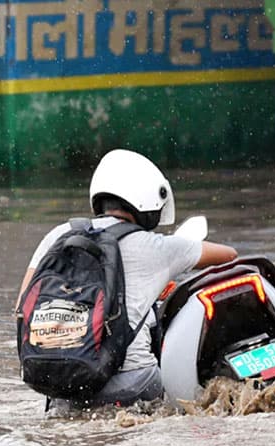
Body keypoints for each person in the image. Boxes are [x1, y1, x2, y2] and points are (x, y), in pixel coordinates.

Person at [16, 149, 237, 409]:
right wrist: (181, 247)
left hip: (60, 387)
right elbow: (228, 255)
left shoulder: (57, 236)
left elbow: (22, 306)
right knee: (191, 394)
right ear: (148, 200)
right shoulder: (155, 246)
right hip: (134, 384)